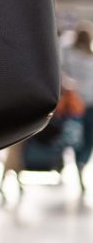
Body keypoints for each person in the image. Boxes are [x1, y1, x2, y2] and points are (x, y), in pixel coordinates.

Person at [62, 20, 93, 193]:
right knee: (89, 139)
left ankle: (77, 163)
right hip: (91, 104)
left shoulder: (69, 55)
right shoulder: (91, 57)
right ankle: (82, 163)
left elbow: (63, 75)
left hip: (75, 105)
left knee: (75, 138)